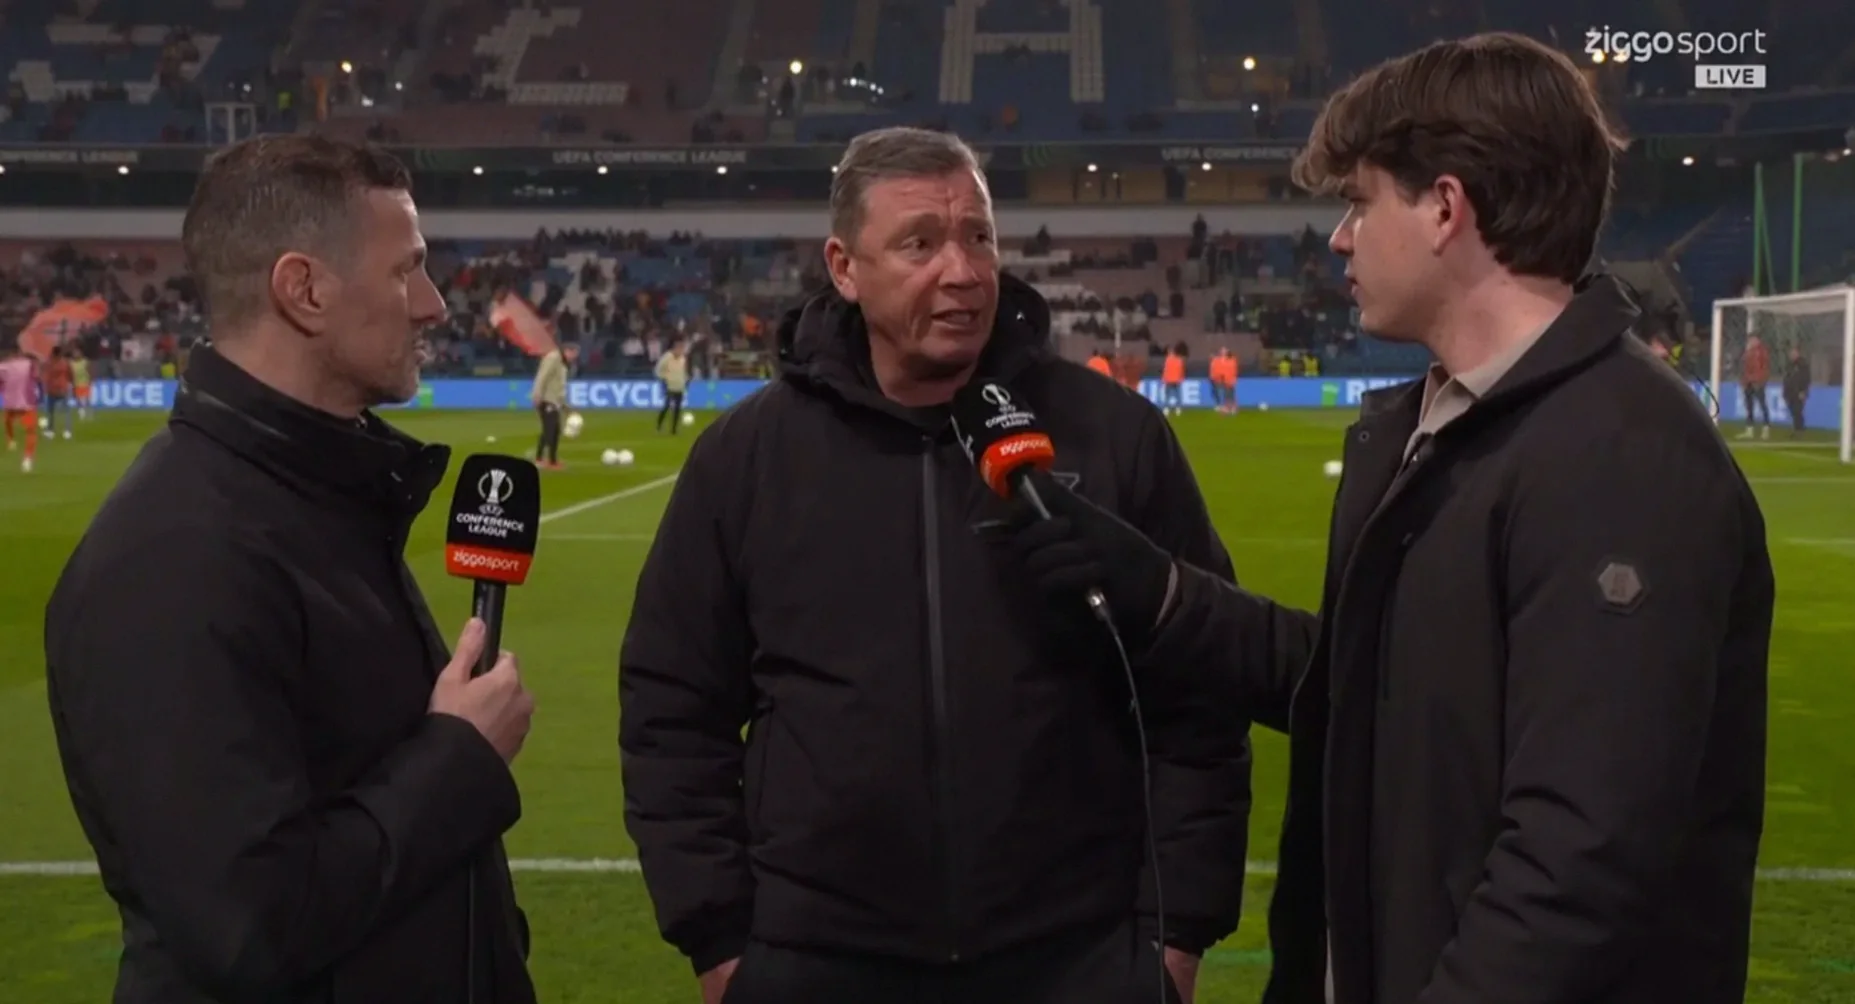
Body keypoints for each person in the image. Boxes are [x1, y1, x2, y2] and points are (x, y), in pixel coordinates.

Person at [998, 32, 1774, 1004]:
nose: (1338, 236)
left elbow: (1575, 864)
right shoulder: (1433, 425)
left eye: (1360, 201)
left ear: (1445, 208)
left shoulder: (1620, 455)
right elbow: (1372, 690)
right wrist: (1158, 593)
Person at [619, 126, 1253, 1004]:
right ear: (844, 268)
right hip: (816, 959)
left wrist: (1175, 933)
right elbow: (672, 708)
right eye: (919, 243)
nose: (963, 271)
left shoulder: (1115, 437)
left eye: (978, 237)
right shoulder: (746, 458)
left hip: (1078, 955)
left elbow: (1201, 693)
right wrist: (719, 940)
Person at [43, 134, 539, 1004]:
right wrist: (457, 759)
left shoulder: (317, 501)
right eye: (407, 270)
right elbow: (247, 927)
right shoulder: (174, 559)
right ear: (304, 290)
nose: (432, 305)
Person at [531, 340, 576, 469]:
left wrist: (564, 405)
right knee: (550, 430)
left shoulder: (562, 363)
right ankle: (542, 459)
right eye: (573, 354)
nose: (573, 358)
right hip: (546, 400)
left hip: (554, 401)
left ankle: (551, 460)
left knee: (553, 430)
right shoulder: (553, 358)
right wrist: (537, 394)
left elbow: (558, 387)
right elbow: (542, 376)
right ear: (567, 350)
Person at [0, 343, 41, 471]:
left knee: (8, 422)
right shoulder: (29, 364)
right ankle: (27, 458)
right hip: (27, 404)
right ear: (20, 352)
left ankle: (11, 440)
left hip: (11, 403)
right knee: (30, 431)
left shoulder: (3, 366)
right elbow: (36, 377)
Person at [655, 335, 689, 432]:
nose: (681, 350)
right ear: (675, 348)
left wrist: (686, 379)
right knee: (666, 406)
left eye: (682, 348)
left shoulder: (682, 358)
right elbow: (658, 369)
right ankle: (659, 425)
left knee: (677, 408)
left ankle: (674, 429)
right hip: (670, 386)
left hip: (679, 386)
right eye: (680, 348)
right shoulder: (667, 357)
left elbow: (683, 371)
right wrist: (663, 379)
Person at [1739, 332, 1770, 438]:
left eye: (1752, 339)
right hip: (1749, 381)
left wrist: (1761, 380)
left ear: (1757, 340)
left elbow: (1763, 367)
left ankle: (1766, 429)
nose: (1750, 341)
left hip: (1757, 381)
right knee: (1749, 405)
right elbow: (1745, 367)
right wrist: (1744, 380)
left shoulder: (1761, 351)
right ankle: (1749, 430)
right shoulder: (1749, 351)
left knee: (1762, 404)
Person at [44, 345, 74, 440]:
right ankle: (67, 431)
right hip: (63, 389)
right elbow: (71, 375)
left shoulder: (49, 363)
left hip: (52, 390)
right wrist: (71, 384)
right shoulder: (65, 363)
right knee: (66, 411)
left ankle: (50, 431)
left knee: (50, 411)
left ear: (53, 353)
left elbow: (46, 375)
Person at [1781, 343, 1810, 436]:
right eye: (1791, 353)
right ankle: (1796, 428)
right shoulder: (1789, 365)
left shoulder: (1803, 364)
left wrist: (1803, 390)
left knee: (1798, 410)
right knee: (1793, 411)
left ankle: (1799, 429)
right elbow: (1786, 378)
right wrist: (1785, 390)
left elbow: (1806, 378)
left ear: (1798, 353)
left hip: (1798, 391)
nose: (1791, 354)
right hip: (1790, 391)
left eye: (1793, 353)